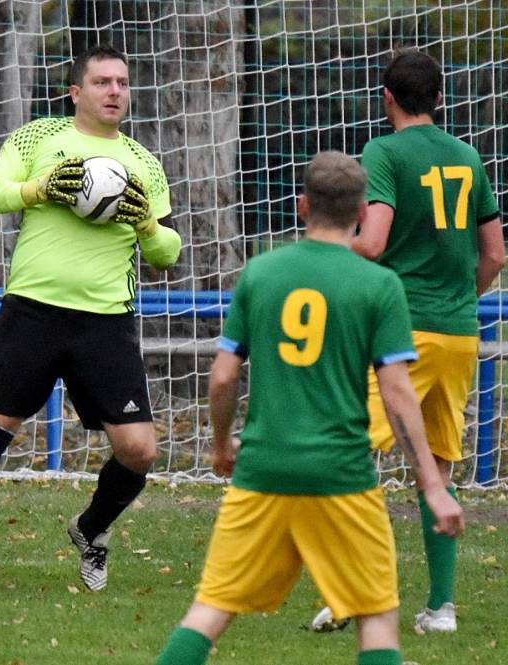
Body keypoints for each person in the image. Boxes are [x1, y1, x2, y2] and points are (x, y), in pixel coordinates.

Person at [155, 151, 464, 665]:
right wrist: (433, 486)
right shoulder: (379, 285)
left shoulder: (261, 273)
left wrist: (219, 444)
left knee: (210, 610)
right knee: (377, 617)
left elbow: (225, 375)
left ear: (301, 205)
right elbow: (396, 392)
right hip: (341, 474)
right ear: (363, 211)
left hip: (263, 469)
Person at [0, 44, 181, 592]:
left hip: (106, 321)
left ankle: (91, 529)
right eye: (103, 81)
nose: (115, 92)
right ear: (75, 92)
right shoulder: (40, 138)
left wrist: (147, 228)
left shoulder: (143, 162)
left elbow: (168, 252)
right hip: (33, 312)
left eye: (123, 83)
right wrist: (37, 190)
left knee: (139, 450)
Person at [311, 50, 504, 635]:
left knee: (353, 457)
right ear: (441, 98)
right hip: (457, 333)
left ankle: (350, 595)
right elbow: (494, 252)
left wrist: (314, 251)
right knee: (436, 470)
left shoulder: (384, 152)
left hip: (399, 332)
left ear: (385, 96)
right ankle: (440, 609)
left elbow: (371, 243)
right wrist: (461, 299)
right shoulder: (469, 156)